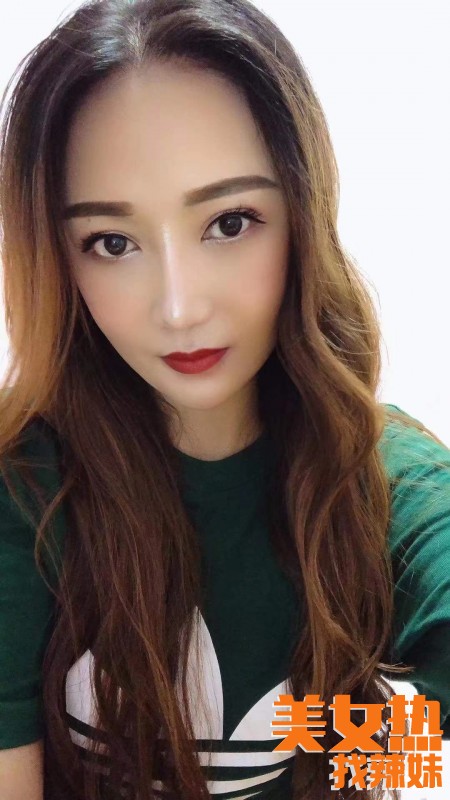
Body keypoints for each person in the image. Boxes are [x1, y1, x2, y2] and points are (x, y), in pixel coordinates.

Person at [0, 0, 449, 798]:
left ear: (301, 215)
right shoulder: (25, 494)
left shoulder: (382, 482)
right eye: (112, 242)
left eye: (231, 222)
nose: (180, 308)